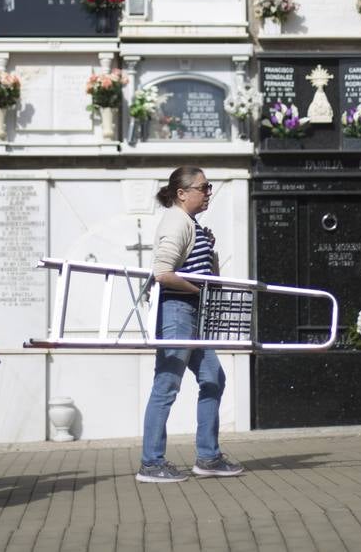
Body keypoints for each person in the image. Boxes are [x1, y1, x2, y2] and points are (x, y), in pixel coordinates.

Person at [137, 166, 244, 484]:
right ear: (182, 193)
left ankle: (208, 457)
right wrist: (201, 290)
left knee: (213, 377)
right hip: (177, 311)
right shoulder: (176, 221)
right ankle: (151, 463)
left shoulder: (191, 224)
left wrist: (208, 253)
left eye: (209, 187)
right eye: (204, 187)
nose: (208, 192)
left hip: (192, 312)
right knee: (167, 385)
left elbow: (204, 272)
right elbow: (162, 273)